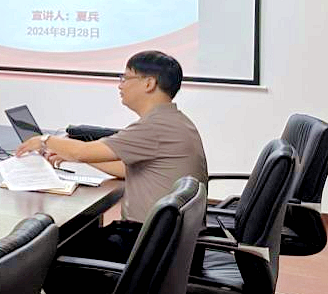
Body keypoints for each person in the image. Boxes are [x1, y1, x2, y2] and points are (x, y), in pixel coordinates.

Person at [14, 49, 208, 261]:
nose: (120, 85)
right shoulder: (172, 120)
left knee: (44, 252)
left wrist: (44, 140)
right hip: (169, 242)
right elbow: (127, 169)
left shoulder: (154, 126)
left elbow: (82, 152)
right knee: (71, 235)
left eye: (125, 77)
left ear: (149, 83)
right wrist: (74, 156)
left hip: (149, 248)